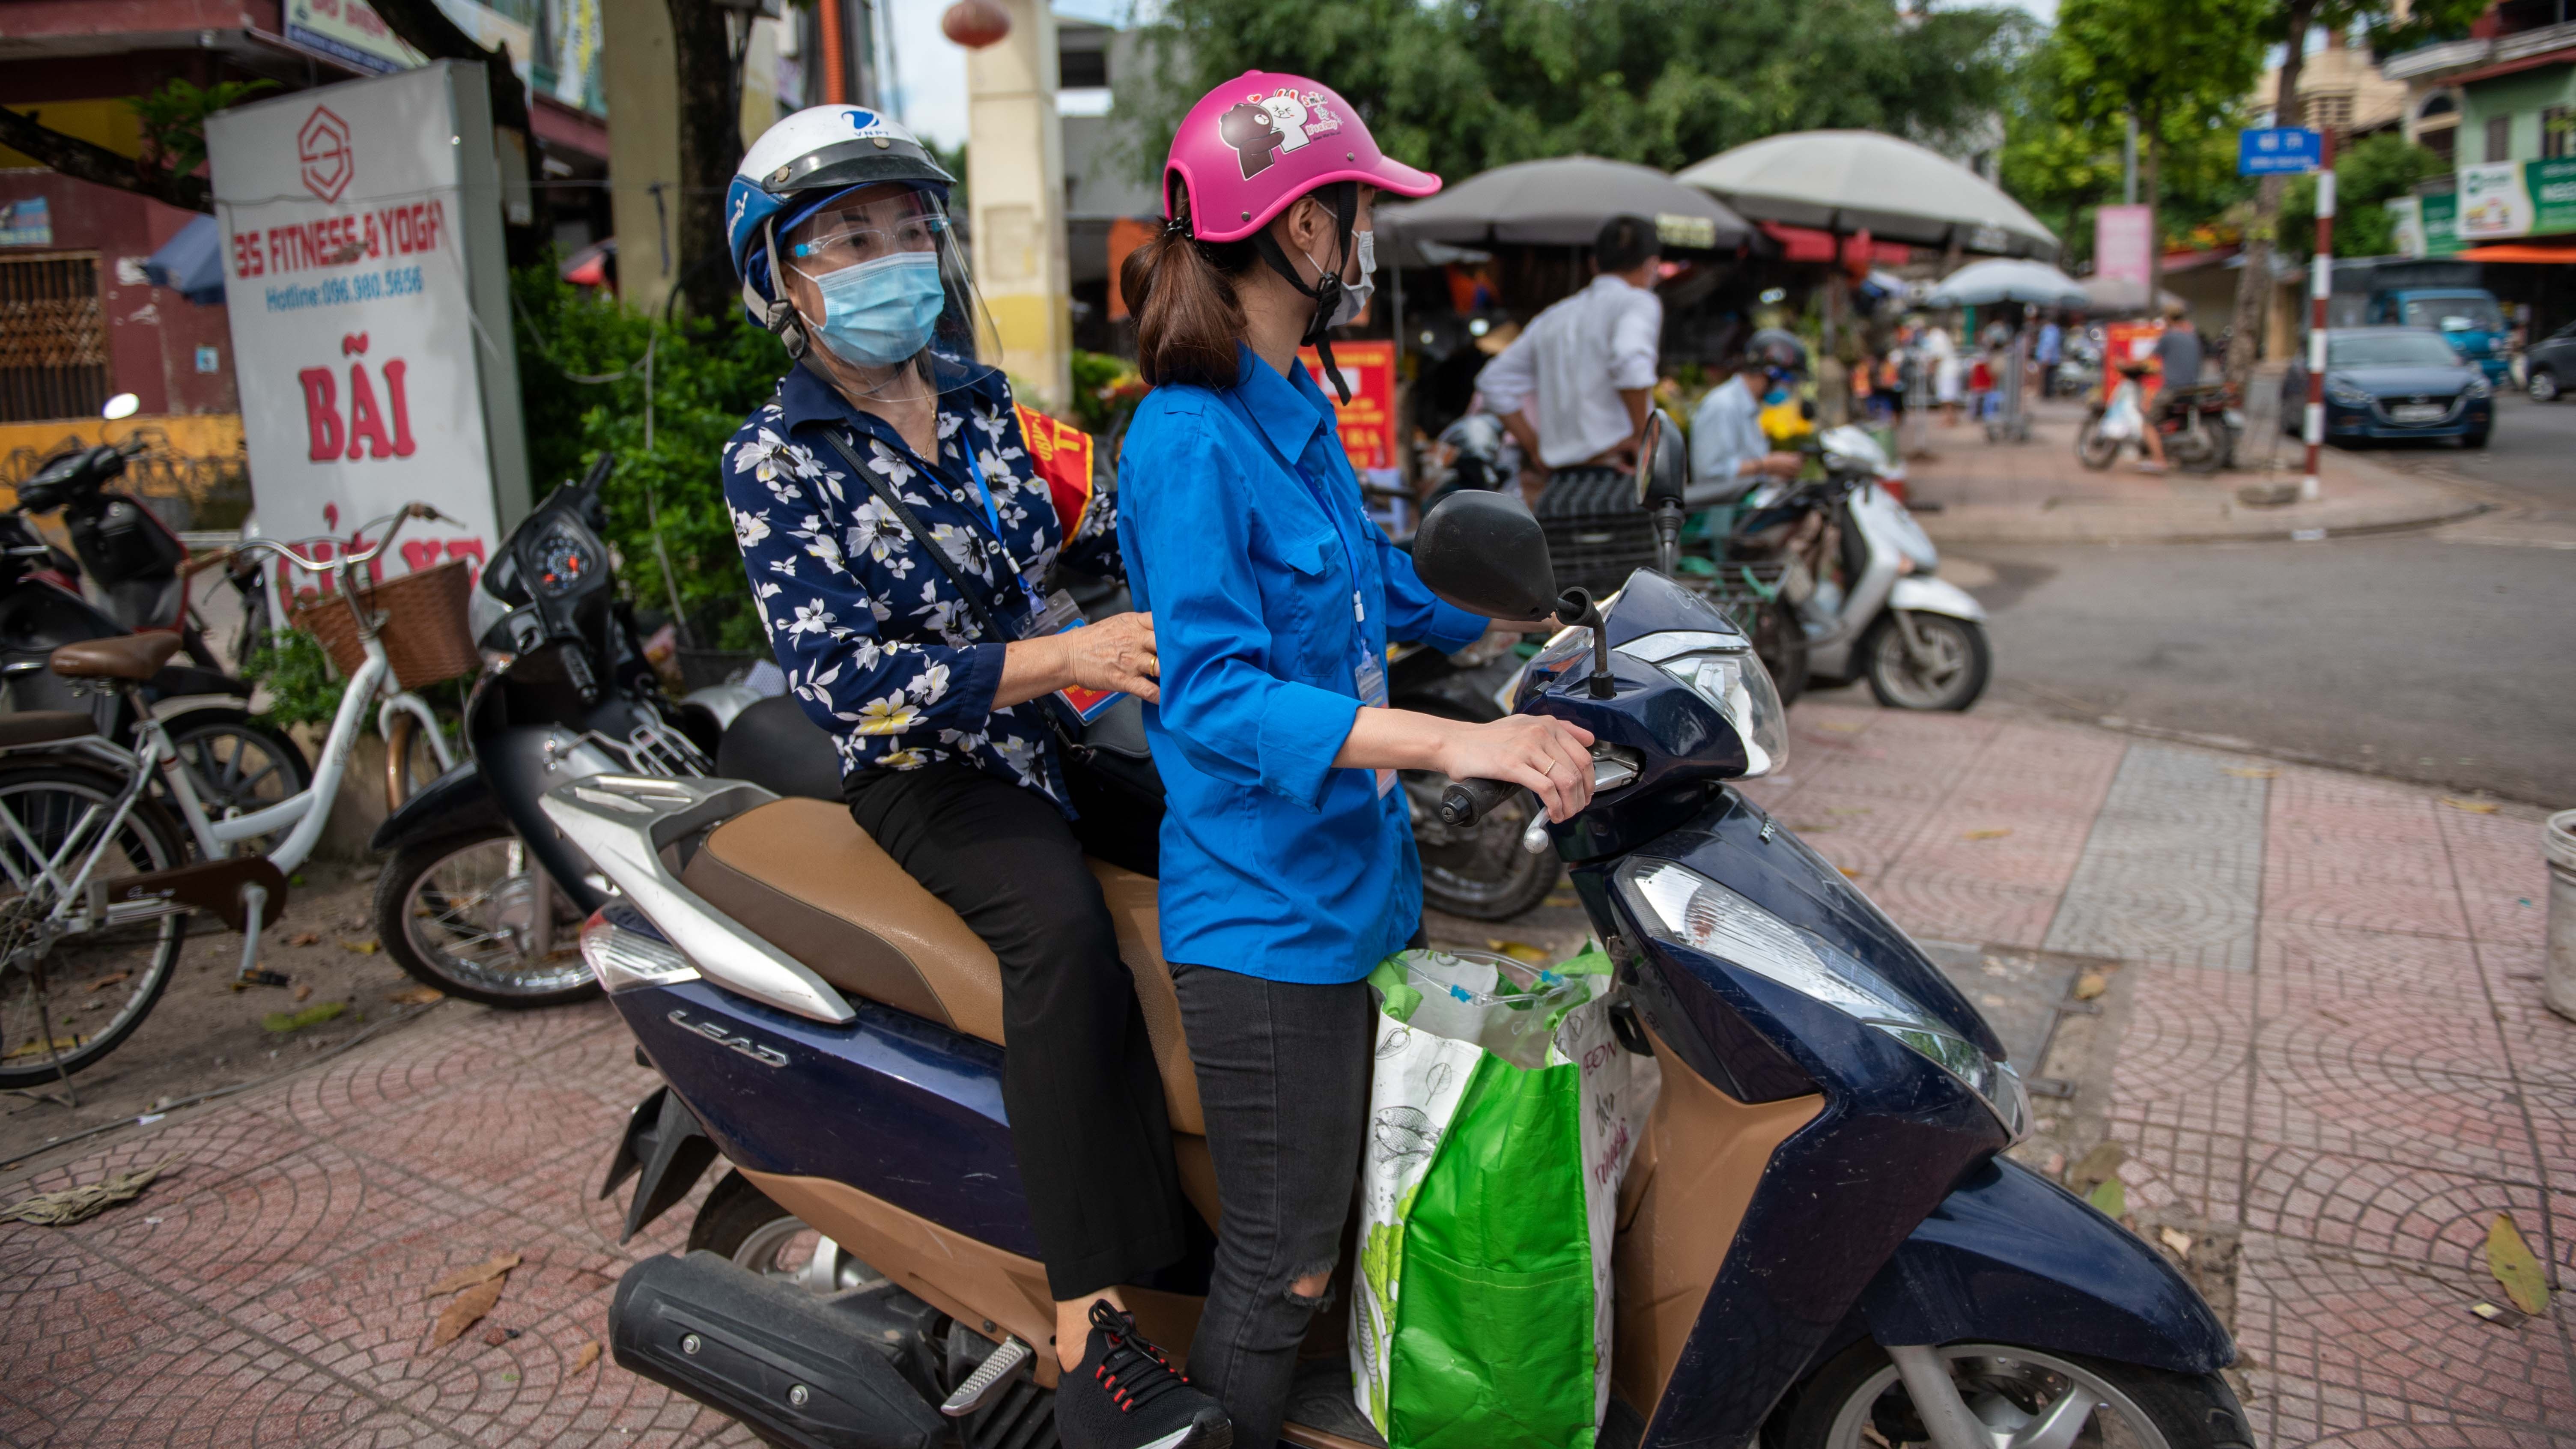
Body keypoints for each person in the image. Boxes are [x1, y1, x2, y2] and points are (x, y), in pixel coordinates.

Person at [716, 107, 1225, 1449]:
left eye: (903, 230)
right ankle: (1091, 1325)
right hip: (926, 771)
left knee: (1233, 843)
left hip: (1049, 739)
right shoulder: (774, 460)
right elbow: (842, 680)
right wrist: (1065, 654)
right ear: (780, 279)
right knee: (1060, 937)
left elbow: (1101, 552)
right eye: (845, 240)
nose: (889, 259)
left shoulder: (994, 411)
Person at [1113, 71, 1598, 1449]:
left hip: (1362, 886)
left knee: (1347, 1227)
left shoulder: (1294, 405)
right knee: (1287, 1267)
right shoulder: (1187, 436)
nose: (1367, 238)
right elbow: (1215, 697)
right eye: (1355, 210)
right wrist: (1467, 738)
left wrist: (1548, 613)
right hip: (1267, 923)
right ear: (1291, 232)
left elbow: (1380, 589)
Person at [1472, 213, 1665, 487]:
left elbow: (1493, 382)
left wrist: (1536, 447)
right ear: (1652, 266)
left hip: (1560, 483)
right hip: (1619, 477)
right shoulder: (1638, 302)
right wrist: (1641, 436)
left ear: (1594, 264)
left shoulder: (1554, 317)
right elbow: (1629, 360)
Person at [1689, 331, 1806, 498]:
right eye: (1788, 381)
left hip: (1745, 510)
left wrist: (1775, 470)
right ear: (1769, 374)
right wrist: (1767, 465)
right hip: (1724, 517)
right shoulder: (1723, 405)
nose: (1788, 388)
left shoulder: (1748, 408)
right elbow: (1710, 472)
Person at [2137, 301, 2201, 475]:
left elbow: (2148, 359)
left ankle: (2159, 461)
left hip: (2173, 388)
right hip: (2190, 387)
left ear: (2167, 319)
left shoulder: (2169, 336)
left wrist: (2131, 364)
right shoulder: (2191, 335)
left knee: (2148, 423)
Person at [2034, 313, 2064, 399]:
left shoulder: (2049, 330)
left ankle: (2047, 395)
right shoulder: (2055, 330)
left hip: (2048, 358)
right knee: (2050, 377)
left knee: (2047, 378)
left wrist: (2046, 358)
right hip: (2053, 358)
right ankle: (2049, 394)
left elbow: (2048, 345)